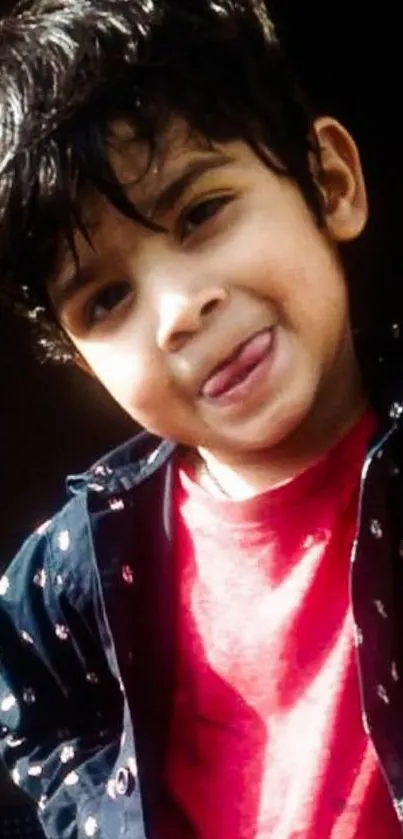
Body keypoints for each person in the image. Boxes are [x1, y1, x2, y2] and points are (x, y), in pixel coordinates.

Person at [0, 0, 402, 837]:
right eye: (107, 298)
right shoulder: (78, 560)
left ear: (327, 183)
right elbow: (35, 720)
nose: (179, 310)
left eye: (200, 213)